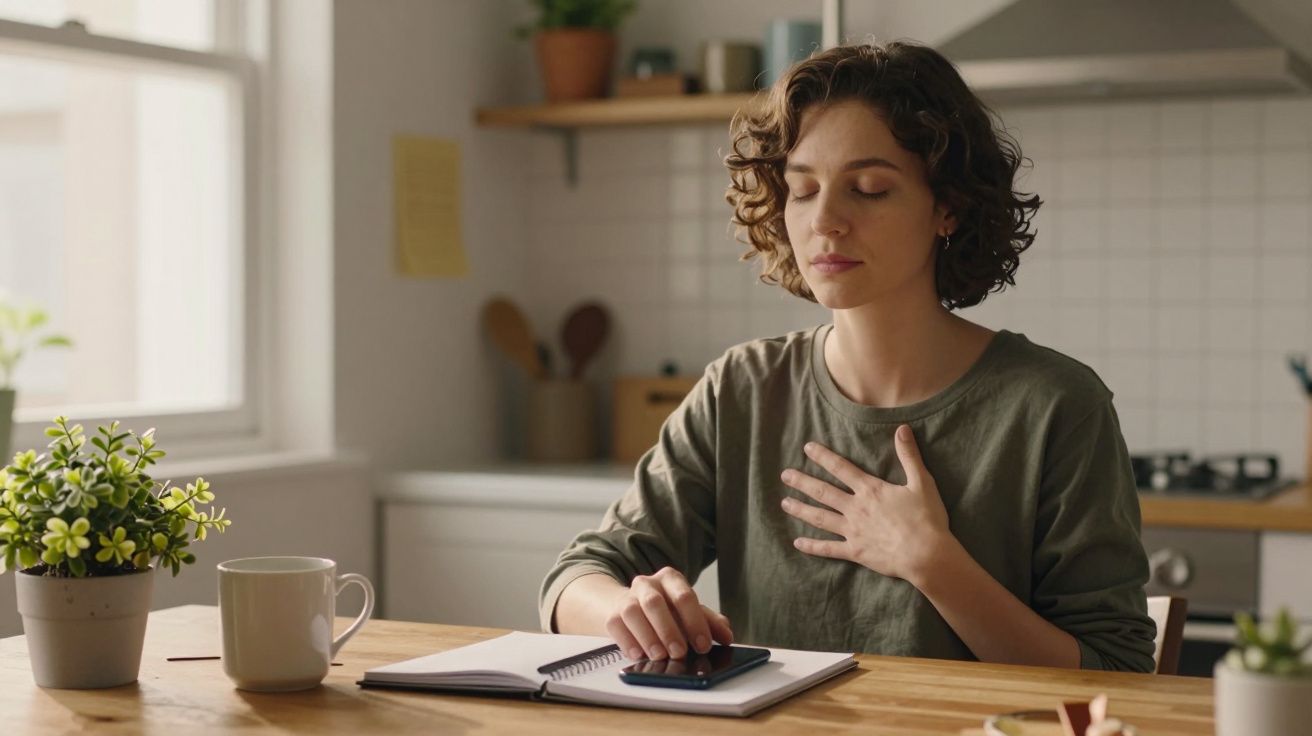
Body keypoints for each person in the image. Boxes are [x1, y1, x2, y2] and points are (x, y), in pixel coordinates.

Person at [538, 40, 1158, 672]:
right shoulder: (742, 390)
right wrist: (626, 608)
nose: (826, 220)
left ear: (948, 206)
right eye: (803, 190)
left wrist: (932, 563)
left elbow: (1120, 673)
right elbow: (575, 579)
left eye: (868, 189)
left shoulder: (1056, 405)